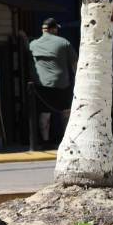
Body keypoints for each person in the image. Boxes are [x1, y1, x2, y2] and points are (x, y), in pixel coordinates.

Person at [28, 17, 76, 148]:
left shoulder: (33, 44)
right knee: (66, 113)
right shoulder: (64, 42)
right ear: (54, 29)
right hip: (62, 85)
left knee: (45, 114)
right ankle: (67, 140)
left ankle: (45, 141)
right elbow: (74, 64)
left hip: (42, 87)